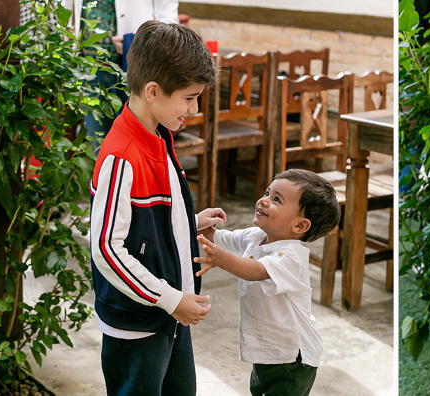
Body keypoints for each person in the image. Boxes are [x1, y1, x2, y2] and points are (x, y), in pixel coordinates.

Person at [88, 20, 221, 395]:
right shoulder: (122, 157)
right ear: (153, 91)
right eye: (190, 97)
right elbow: (107, 249)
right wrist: (172, 299)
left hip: (166, 316)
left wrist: (187, 224)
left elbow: (143, 220)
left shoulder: (158, 134)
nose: (194, 109)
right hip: (139, 324)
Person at [192, 169, 340, 396]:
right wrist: (197, 224)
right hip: (268, 353)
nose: (263, 200)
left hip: (294, 359)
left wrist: (221, 259)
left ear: (300, 226)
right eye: (268, 192)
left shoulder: (292, 257)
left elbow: (257, 271)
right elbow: (221, 237)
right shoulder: (256, 236)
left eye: (276, 200)